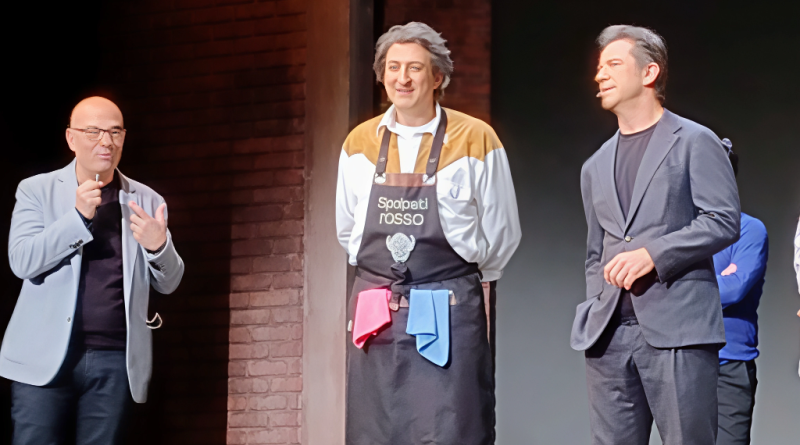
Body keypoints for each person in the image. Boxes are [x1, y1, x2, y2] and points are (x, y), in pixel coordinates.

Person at [336, 22, 521, 445]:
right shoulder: (358, 143)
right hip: (377, 309)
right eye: (393, 67)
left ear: (437, 77)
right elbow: (347, 229)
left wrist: (464, 281)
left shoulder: (476, 138)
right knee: (374, 428)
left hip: (450, 305)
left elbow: (502, 232)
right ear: (382, 75)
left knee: (452, 426)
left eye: (415, 68)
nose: (402, 78)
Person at [570, 25, 740, 445]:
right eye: (599, 68)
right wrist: (596, 303)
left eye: (613, 64)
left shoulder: (695, 141)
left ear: (649, 72)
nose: (599, 75)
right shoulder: (595, 165)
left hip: (679, 330)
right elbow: (595, 253)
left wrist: (654, 254)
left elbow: (722, 219)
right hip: (609, 334)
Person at [2, 96, 184, 445]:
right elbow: (23, 261)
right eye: (94, 132)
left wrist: (158, 246)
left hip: (115, 358)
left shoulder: (147, 200)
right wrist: (77, 219)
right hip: (43, 355)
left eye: (115, 132)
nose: (107, 142)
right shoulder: (37, 190)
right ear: (71, 138)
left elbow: (170, 283)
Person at [712, 141, 767, 445]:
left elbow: (734, 289)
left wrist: (679, 286)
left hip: (729, 365)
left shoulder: (749, 229)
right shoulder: (675, 233)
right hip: (681, 363)